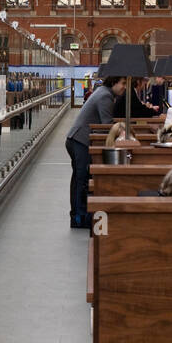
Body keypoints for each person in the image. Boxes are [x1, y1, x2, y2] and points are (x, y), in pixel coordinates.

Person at [65, 74, 124, 229]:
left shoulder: (103, 92)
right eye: (123, 83)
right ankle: (79, 218)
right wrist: (122, 129)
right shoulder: (105, 96)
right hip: (80, 140)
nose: (124, 87)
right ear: (114, 82)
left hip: (78, 139)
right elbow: (107, 125)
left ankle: (79, 215)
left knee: (79, 178)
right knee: (81, 179)